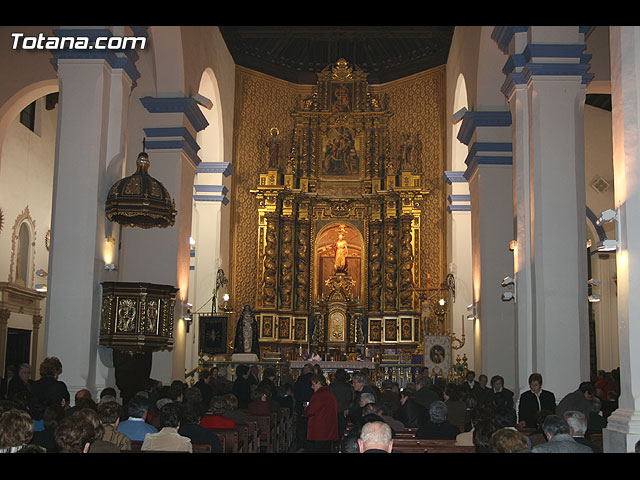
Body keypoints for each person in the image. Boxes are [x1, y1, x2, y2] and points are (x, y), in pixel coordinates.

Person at [303, 374, 338, 453]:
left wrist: (305, 411)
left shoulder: (319, 395)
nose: (312, 387)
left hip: (320, 430)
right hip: (329, 429)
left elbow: (311, 410)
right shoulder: (330, 393)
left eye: (313, 384)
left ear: (318, 383)